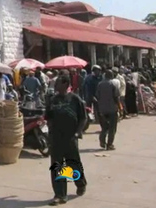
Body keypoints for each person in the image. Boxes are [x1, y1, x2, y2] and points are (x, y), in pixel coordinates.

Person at [45, 75, 87, 206]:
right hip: (56, 138)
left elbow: (83, 118)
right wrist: (49, 131)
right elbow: (49, 117)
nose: (55, 85)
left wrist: (78, 132)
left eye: (57, 83)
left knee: (73, 165)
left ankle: (81, 183)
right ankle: (60, 195)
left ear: (65, 84)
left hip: (70, 138)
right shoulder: (53, 100)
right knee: (57, 166)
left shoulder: (75, 99)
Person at [96, 70, 120, 150]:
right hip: (112, 109)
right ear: (112, 76)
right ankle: (110, 144)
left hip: (102, 109)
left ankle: (102, 141)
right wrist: (119, 107)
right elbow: (116, 96)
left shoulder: (100, 84)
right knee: (112, 128)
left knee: (105, 127)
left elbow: (97, 96)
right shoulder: (113, 84)